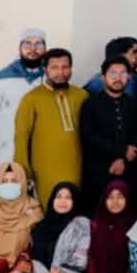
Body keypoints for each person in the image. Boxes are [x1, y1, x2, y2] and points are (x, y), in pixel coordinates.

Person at [14, 48, 87, 205]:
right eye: (55, 67)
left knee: (75, 209)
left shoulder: (82, 95)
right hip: (45, 171)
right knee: (50, 209)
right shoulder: (31, 99)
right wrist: (23, 172)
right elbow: (21, 137)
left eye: (65, 67)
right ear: (45, 69)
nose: (61, 72)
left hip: (78, 168)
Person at [79, 56, 137, 216]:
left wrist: (123, 159)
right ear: (103, 77)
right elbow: (89, 137)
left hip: (128, 168)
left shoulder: (133, 104)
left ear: (129, 77)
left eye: (123, 73)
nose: (118, 78)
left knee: (129, 213)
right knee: (97, 213)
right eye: (113, 73)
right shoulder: (90, 104)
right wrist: (121, 151)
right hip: (99, 170)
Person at [0, 29, 48, 171]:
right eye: (27, 44)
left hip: (42, 149)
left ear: (45, 48)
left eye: (38, 44)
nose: (33, 49)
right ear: (20, 47)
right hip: (8, 150)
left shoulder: (51, 78)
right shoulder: (1, 80)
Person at [34, 182, 91, 273]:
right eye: (59, 196)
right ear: (52, 200)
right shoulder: (41, 228)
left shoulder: (81, 226)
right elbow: (37, 261)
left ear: (75, 201)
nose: (62, 201)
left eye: (68, 197)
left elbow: (80, 262)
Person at [86, 180, 135, 273]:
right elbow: (90, 256)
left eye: (120, 196)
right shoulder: (94, 226)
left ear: (127, 199)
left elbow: (135, 260)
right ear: (104, 200)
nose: (115, 201)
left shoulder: (134, 227)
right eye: (110, 197)